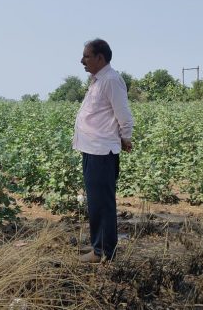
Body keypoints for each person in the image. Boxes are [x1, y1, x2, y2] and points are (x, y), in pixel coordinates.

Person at [73, 39, 133, 263]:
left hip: (101, 151)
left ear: (100, 58)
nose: (82, 61)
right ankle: (99, 248)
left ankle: (104, 253)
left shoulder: (111, 80)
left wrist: (125, 137)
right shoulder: (97, 81)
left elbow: (124, 114)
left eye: (87, 56)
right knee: (96, 202)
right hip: (91, 149)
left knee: (102, 203)